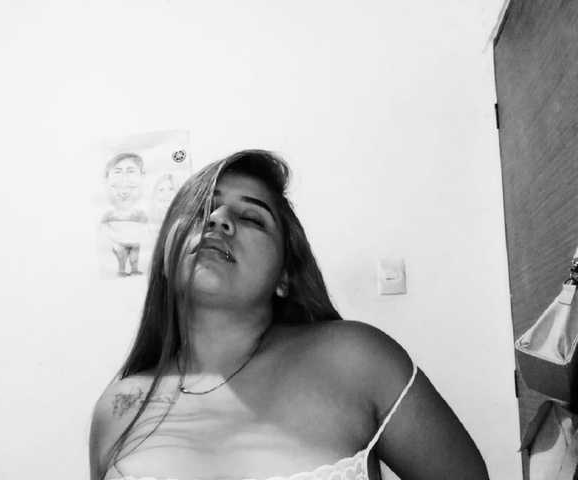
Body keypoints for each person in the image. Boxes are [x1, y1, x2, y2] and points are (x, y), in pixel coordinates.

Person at [90, 150, 489, 480]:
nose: (218, 219)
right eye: (200, 211)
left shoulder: (356, 360)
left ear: (284, 276)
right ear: (165, 257)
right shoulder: (118, 406)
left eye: (251, 218)